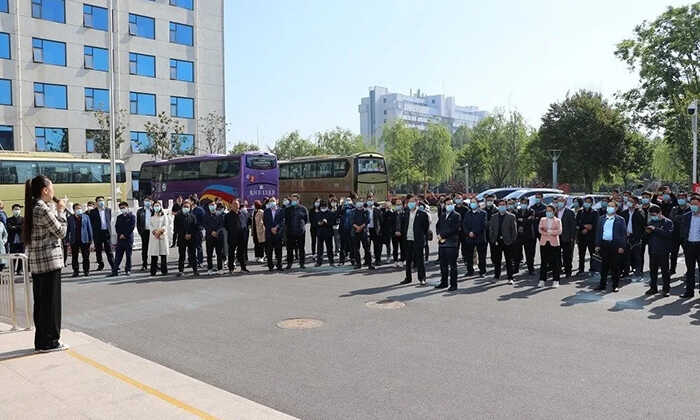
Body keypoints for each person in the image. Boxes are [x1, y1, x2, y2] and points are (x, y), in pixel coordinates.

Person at [24, 175, 68, 352]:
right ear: (45, 190)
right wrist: (61, 212)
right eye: (52, 187)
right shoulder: (42, 209)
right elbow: (61, 232)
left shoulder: (34, 207)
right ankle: (51, 341)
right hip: (49, 262)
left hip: (38, 264)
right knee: (52, 304)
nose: (53, 191)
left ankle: (41, 341)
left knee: (41, 304)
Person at [594, 201, 627, 293]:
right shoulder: (601, 218)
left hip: (615, 245)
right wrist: (597, 244)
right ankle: (602, 284)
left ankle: (615, 285)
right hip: (604, 244)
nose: (609, 208)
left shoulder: (620, 219)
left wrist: (622, 246)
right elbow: (598, 232)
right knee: (604, 266)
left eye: (612, 206)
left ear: (616, 208)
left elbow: (623, 234)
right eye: (608, 206)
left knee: (615, 266)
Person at [399, 195, 429, 285]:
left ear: (417, 202)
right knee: (408, 260)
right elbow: (403, 225)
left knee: (420, 260)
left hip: (418, 240)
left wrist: (422, 237)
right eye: (409, 202)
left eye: (413, 202)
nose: (411, 203)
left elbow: (425, 228)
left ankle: (422, 278)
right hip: (408, 239)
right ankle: (408, 278)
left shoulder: (422, 214)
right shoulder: (406, 213)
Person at [644, 205, 673, 296]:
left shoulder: (668, 222)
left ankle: (666, 289)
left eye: (654, 215)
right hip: (653, 250)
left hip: (663, 250)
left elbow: (668, 234)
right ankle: (653, 288)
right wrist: (647, 232)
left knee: (665, 271)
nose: (653, 217)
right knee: (653, 271)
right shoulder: (651, 222)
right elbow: (646, 236)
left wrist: (655, 229)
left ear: (660, 213)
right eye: (651, 215)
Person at [488, 200, 518, 284]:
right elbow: (491, 229)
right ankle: (496, 276)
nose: (502, 206)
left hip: (508, 241)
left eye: (503, 205)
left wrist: (512, 241)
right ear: (498, 206)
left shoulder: (511, 216)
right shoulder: (494, 217)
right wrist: (492, 239)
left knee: (509, 260)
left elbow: (514, 230)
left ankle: (510, 277)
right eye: (500, 205)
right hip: (497, 241)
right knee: (497, 260)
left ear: (506, 206)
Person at [435, 198, 461, 291]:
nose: (449, 205)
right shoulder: (442, 215)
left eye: (450, 204)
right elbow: (437, 226)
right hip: (442, 243)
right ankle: (444, 282)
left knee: (452, 265)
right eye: (447, 204)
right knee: (443, 265)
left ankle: (454, 284)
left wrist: (443, 236)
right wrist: (438, 235)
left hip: (452, 243)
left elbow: (455, 229)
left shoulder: (456, 215)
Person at [679, 197, 700, 298]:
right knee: (690, 270)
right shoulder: (686, 216)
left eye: (696, 204)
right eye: (692, 204)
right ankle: (689, 291)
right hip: (689, 246)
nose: (693, 206)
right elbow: (683, 231)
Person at [621, 196, 645, 279]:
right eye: (628, 201)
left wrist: (638, 211)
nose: (629, 203)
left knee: (637, 256)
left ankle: (638, 271)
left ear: (635, 203)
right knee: (626, 256)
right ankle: (626, 271)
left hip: (636, 237)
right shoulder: (624, 213)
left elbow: (642, 225)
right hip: (626, 236)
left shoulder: (640, 212)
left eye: (631, 201)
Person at [462, 198, 488, 277]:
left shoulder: (483, 213)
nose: (472, 204)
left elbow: (483, 225)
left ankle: (482, 271)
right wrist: (468, 232)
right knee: (469, 256)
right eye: (471, 202)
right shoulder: (467, 213)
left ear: (477, 203)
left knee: (482, 256)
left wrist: (474, 232)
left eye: (474, 202)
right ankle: (470, 271)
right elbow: (464, 225)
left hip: (480, 237)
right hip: (469, 237)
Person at [66, 203, 93, 277]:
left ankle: (86, 271)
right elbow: (68, 230)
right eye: (77, 208)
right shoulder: (70, 218)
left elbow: (89, 228)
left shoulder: (86, 217)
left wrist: (91, 240)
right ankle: (76, 271)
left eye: (80, 208)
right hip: (74, 240)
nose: (79, 210)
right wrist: (67, 240)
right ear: (74, 210)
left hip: (85, 240)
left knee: (86, 257)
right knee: (74, 257)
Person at [88, 196, 114, 272]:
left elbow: (109, 220)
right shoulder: (92, 212)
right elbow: (91, 223)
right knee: (98, 251)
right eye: (99, 200)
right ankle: (100, 265)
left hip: (106, 232)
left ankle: (113, 265)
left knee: (109, 250)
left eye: (102, 200)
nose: (101, 202)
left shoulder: (108, 210)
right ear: (96, 202)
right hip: (97, 233)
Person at [539, 205, 562, 287]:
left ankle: (556, 280)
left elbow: (559, 231)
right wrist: (550, 232)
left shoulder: (558, 220)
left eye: (550, 211)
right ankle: (542, 280)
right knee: (544, 262)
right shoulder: (542, 219)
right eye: (547, 211)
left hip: (554, 243)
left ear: (553, 211)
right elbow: (540, 230)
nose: (548, 212)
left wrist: (548, 231)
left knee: (555, 262)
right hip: (544, 243)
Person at [174, 200, 199, 276]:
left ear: (190, 208)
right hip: (182, 238)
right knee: (182, 255)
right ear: (182, 207)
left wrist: (190, 234)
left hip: (191, 238)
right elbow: (176, 228)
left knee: (193, 255)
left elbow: (195, 227)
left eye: (187, 207)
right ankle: (181, 271)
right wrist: (184, 234)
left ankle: (195, 270)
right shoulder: (178, 216)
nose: (186, 208)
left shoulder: (193, 216)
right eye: (184, 206)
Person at [111, 202, 136, 277]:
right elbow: (116, 227)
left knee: (128, 255)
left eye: (124, 207)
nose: (122, 209)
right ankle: (115, 270)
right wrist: (120, 234)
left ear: (127, 207)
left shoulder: (132, 216)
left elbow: (132, 227)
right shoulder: (119, 217)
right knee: (118, 255)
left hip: (128, 239)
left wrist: (124, 235)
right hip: (120, 238)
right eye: (121, 208)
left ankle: (128, 269)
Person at [285, 193, 308, 269]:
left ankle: (302, 263)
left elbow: (306, 220)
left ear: (298, 200)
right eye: (292, 200)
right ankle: (289, 263)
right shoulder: (287, 209)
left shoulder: (303, 209)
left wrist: (301, 226)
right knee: (289, 249)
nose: (293, 201)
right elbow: (286, 220)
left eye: (295, 200)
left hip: (300, 232)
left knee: (301, 248)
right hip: (290, 232)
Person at [669, 192, 691, 275]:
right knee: (673, 254)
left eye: (682, 198)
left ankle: (689, 270)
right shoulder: (674, 209)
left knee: (688, 254)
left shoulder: (690, 209)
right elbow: (671, 219)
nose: (680, 200)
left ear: (686, 199)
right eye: (679, 198)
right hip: (675, 235)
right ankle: (672, 269)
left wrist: (679, 218)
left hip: (686, 236)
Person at [226, 200, 249, 273]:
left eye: (237, 204)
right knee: (231, 253)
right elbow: (226, 226)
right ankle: (231, 268)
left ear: (239, 205)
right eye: (234, 204)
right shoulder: (228, 215)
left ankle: (243, 268)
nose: (236, 206)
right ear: (231, 205)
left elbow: (246, 223)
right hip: (232, 236)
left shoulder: (242, 214)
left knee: (241, 252)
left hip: (241, 236)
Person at [514, 197, 536, 275]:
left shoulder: (531, 211)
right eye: (522, 203)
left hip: (528, 236)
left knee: (529, 254)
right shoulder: (517, 211)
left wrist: (522, 220)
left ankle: (531, 269)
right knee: (517, 253)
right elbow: (516, 220)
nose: (523, 204)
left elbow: (531, 221)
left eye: (525, 203)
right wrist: (526, 219)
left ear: (528, 204)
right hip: (519, 235)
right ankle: (516, 268)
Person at [350, 198, 374, 270]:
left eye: (361, 202)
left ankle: (369, 264)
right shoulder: (353, 211)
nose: (359, 203)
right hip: (355, 232)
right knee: (356, 249)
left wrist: (360, 227)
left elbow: (367, 220)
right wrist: (357, 227)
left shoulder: (366, 211)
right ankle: (358, 264)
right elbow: (351, 221)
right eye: (358, 202)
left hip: (364, 232)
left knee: (367, 249)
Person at [576, 197, 598, 275]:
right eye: (586, 202)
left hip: (591, 236)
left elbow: (595, 224)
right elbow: (577, 223)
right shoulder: (580, 212)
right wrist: (584, 227)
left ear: (591, 203)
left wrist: (589, 228)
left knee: (592, 254)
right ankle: (581, 269)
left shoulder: (595, 212)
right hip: (581, 236)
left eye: (589, 202)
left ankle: (592, 269)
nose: (587, 203)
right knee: (581, 254)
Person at [556, 197, 577, 278]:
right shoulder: (555, 211)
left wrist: (572, 237)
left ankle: (568, 271)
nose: (560, 203)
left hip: (566, 237)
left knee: (567, 255)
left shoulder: (569, 212)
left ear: (565, 203)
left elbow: (573, 225)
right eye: (559, 201)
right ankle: (557, 270)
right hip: (556, 236)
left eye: (562, 201)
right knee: (556, 255)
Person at [147, 201, 169, 276]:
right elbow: (150, 225)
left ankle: (164, 271)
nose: (156, 207)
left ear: (160, 206)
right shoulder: (151, 216)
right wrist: (155, 232)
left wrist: (160, 231)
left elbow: (165, 225)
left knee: (163, 255)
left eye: (158, 206)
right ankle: (153, 271)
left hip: (162, 236)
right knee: (154, 255)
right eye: (155, 206)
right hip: (154, 237)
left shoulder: (164, 215)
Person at [203, 200, 224, 274]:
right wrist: (211, 231)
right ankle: (210, 268)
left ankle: (220, 268)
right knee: (209, 254)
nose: (212, 206)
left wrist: (216, 231)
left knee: (219, 253)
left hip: (218, 236)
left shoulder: (219, 214)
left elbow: (221, 224)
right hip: (209, 236)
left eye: (213, 204)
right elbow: (205, 225)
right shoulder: (205, 215)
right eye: (211, 205)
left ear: (216, 205)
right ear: (208, 206)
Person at [263, 197, 285, 271]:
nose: (272, 202)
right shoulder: (266, 211)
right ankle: (270, 266)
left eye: (273, 201)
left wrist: (276, 228)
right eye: (270, 201)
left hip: (278, 233)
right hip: (269, 233)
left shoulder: (281, 210)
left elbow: (282, 221)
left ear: (277, 202)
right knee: (269, 251)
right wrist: (271, 228)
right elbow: (265, 222)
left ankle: (279, 265)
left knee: (278, 251)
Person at [315, 199, 336, 266]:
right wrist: (319, 223)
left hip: (328, 233)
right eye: (322, 206)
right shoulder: (318, 213)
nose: (323, 208)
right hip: (320, 233)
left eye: (325, 206)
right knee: (319, 249)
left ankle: (331, 261)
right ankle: (319, 262)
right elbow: (315, 223)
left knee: (329, 248)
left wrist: (327, 222)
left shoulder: (331, 213)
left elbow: (333, 222)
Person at [136, 197, 153, 272]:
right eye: (146, 201)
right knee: (144, 249)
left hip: (153, 232)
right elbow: (138, 223)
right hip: (144, 232)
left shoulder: (154, 210)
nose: (147, 202)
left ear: (151, 202)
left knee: (154, 248)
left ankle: (154, 264)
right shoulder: (140, 211)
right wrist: (140, 232)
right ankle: (144, 264)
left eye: (148, 201)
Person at [7, 204, 24, 274]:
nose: (17, 211)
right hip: (12, 240)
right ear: (12, 210)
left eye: (18, 209)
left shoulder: (23, 219)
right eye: (15, 209)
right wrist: (17, 227)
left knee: (21, 256)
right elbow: (9, 228)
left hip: (21, 240)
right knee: (12, 256)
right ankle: (12, 269)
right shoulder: (9, 219)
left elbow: (22, 227)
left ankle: (19, 270)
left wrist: (14, 227)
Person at [366, 193, 383, 266]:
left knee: (377, 246)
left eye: (371, 198)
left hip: (375, 230)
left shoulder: (377, 209)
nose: (370, 199)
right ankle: (367, 260)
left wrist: (380, 230)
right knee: (367, 246)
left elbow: (381, 220)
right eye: (369, 198)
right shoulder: (364, 209)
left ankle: (378, 260)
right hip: (367, 230)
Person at [338, 197, 355, 265]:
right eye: (346, 201)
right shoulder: (342, 208)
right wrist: (341, 205)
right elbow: (337, 214)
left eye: (349, 200)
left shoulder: (353, 208)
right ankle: (341, 260)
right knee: (342, 246)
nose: (347, 202)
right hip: (343, 230)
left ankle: (353, 260)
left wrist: (352, 205)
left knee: (352, 246)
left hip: (351, 230)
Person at [380, 200, 396, 266]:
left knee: (394, 245)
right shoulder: (382, 212)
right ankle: (386, 256)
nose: (387, 206)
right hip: (384, 231)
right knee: (386, 244)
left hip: (392, 231)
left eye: (388, 205)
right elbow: (381, 220)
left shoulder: (393, 212)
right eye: (386, 205)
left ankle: (393, 257)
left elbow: (395, 221)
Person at [190, 198, 205, 268]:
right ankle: (191, 262)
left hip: (198, 231)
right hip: (190, 231)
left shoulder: (200, 210)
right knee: (190, 248)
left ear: (193, 202)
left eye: (190, 201)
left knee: (199, 247)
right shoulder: (189, 209)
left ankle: (200, 261)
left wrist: (201, 227)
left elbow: (203, 220)